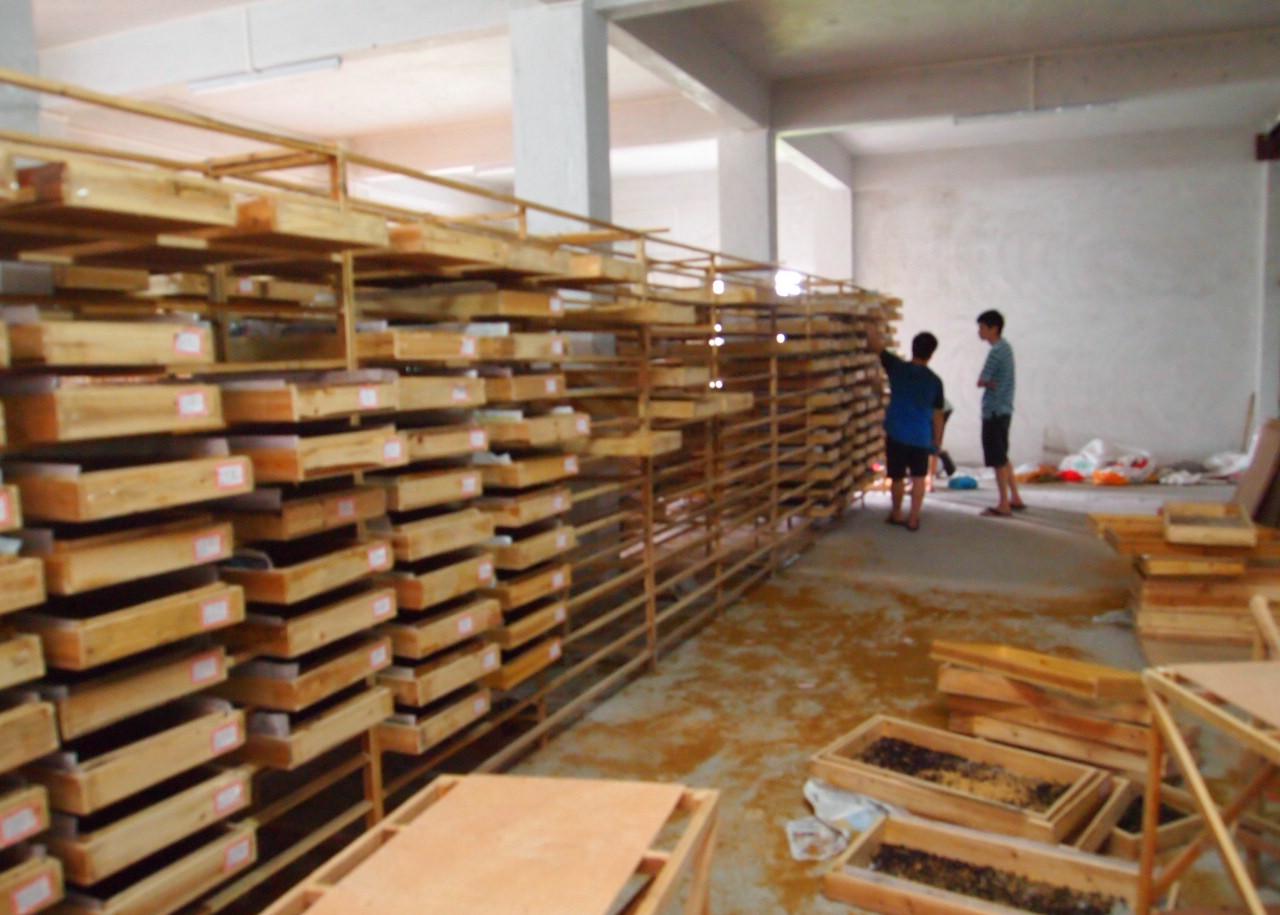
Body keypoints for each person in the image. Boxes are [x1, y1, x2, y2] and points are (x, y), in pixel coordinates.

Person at [867, 325, 945, 532]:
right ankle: (913, 518)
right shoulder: (935, 381)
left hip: (897, 432)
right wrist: (937, 440)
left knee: (897, 476)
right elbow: (938, 415)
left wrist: (869, 328)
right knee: (919, 477)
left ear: (913, 348)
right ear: (931, 354)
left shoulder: (897, 368)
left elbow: (877, 347)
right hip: (921, 436)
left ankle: (896, 513)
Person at [976, 309, 1025, 517]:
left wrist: (986, 382)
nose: (979, 331)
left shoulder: (996, 352)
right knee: (1003, 456)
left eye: (982, 327)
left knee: (997, 460)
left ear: (994, 328)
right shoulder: (1007, 348)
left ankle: (1003, 503)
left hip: (994, 411)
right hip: (1005, 409)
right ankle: (1015, 497)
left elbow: (981, 380)